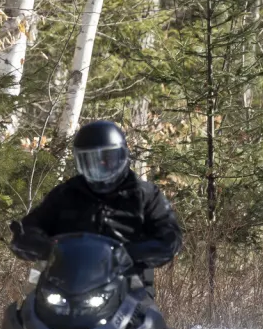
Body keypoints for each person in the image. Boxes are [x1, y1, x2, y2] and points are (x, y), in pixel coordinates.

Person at [10, 120, 183, 291]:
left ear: (122, 157)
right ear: (80, 163)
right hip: (66, 285)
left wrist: (133, 253)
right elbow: (32, 225)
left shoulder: (145, 195)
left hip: (128, 285)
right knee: (23, 314)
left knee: (150, 319)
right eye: (91, 161)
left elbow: (169, 236)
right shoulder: (65, 194)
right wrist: (38, 244)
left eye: (108, 159)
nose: (101, 167)